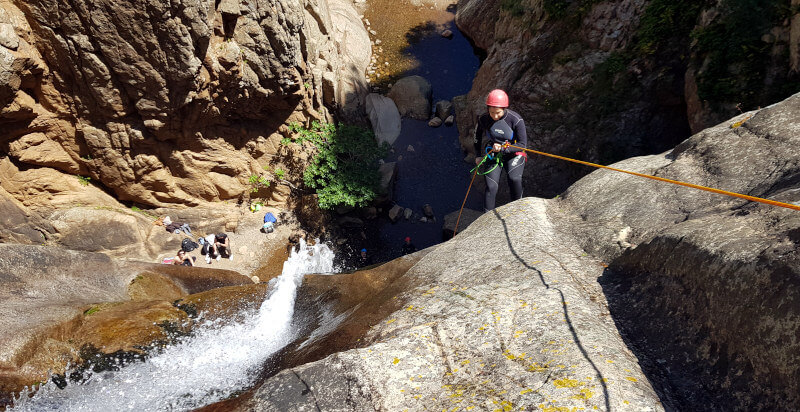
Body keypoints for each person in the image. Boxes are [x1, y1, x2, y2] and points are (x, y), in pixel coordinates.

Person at [473, 89, 528, 212]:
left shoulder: (515, 120)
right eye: (491, 112)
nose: (495, 116)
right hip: (494, 151)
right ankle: (486, 217)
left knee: (515, 179)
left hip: (513, 152)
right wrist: (478, 155)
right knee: (491, 186)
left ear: (504, 108)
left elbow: (522, 144)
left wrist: (504, 148)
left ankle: (518, 210)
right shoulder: (484, 119)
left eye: (498, 112)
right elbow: (477, 136)